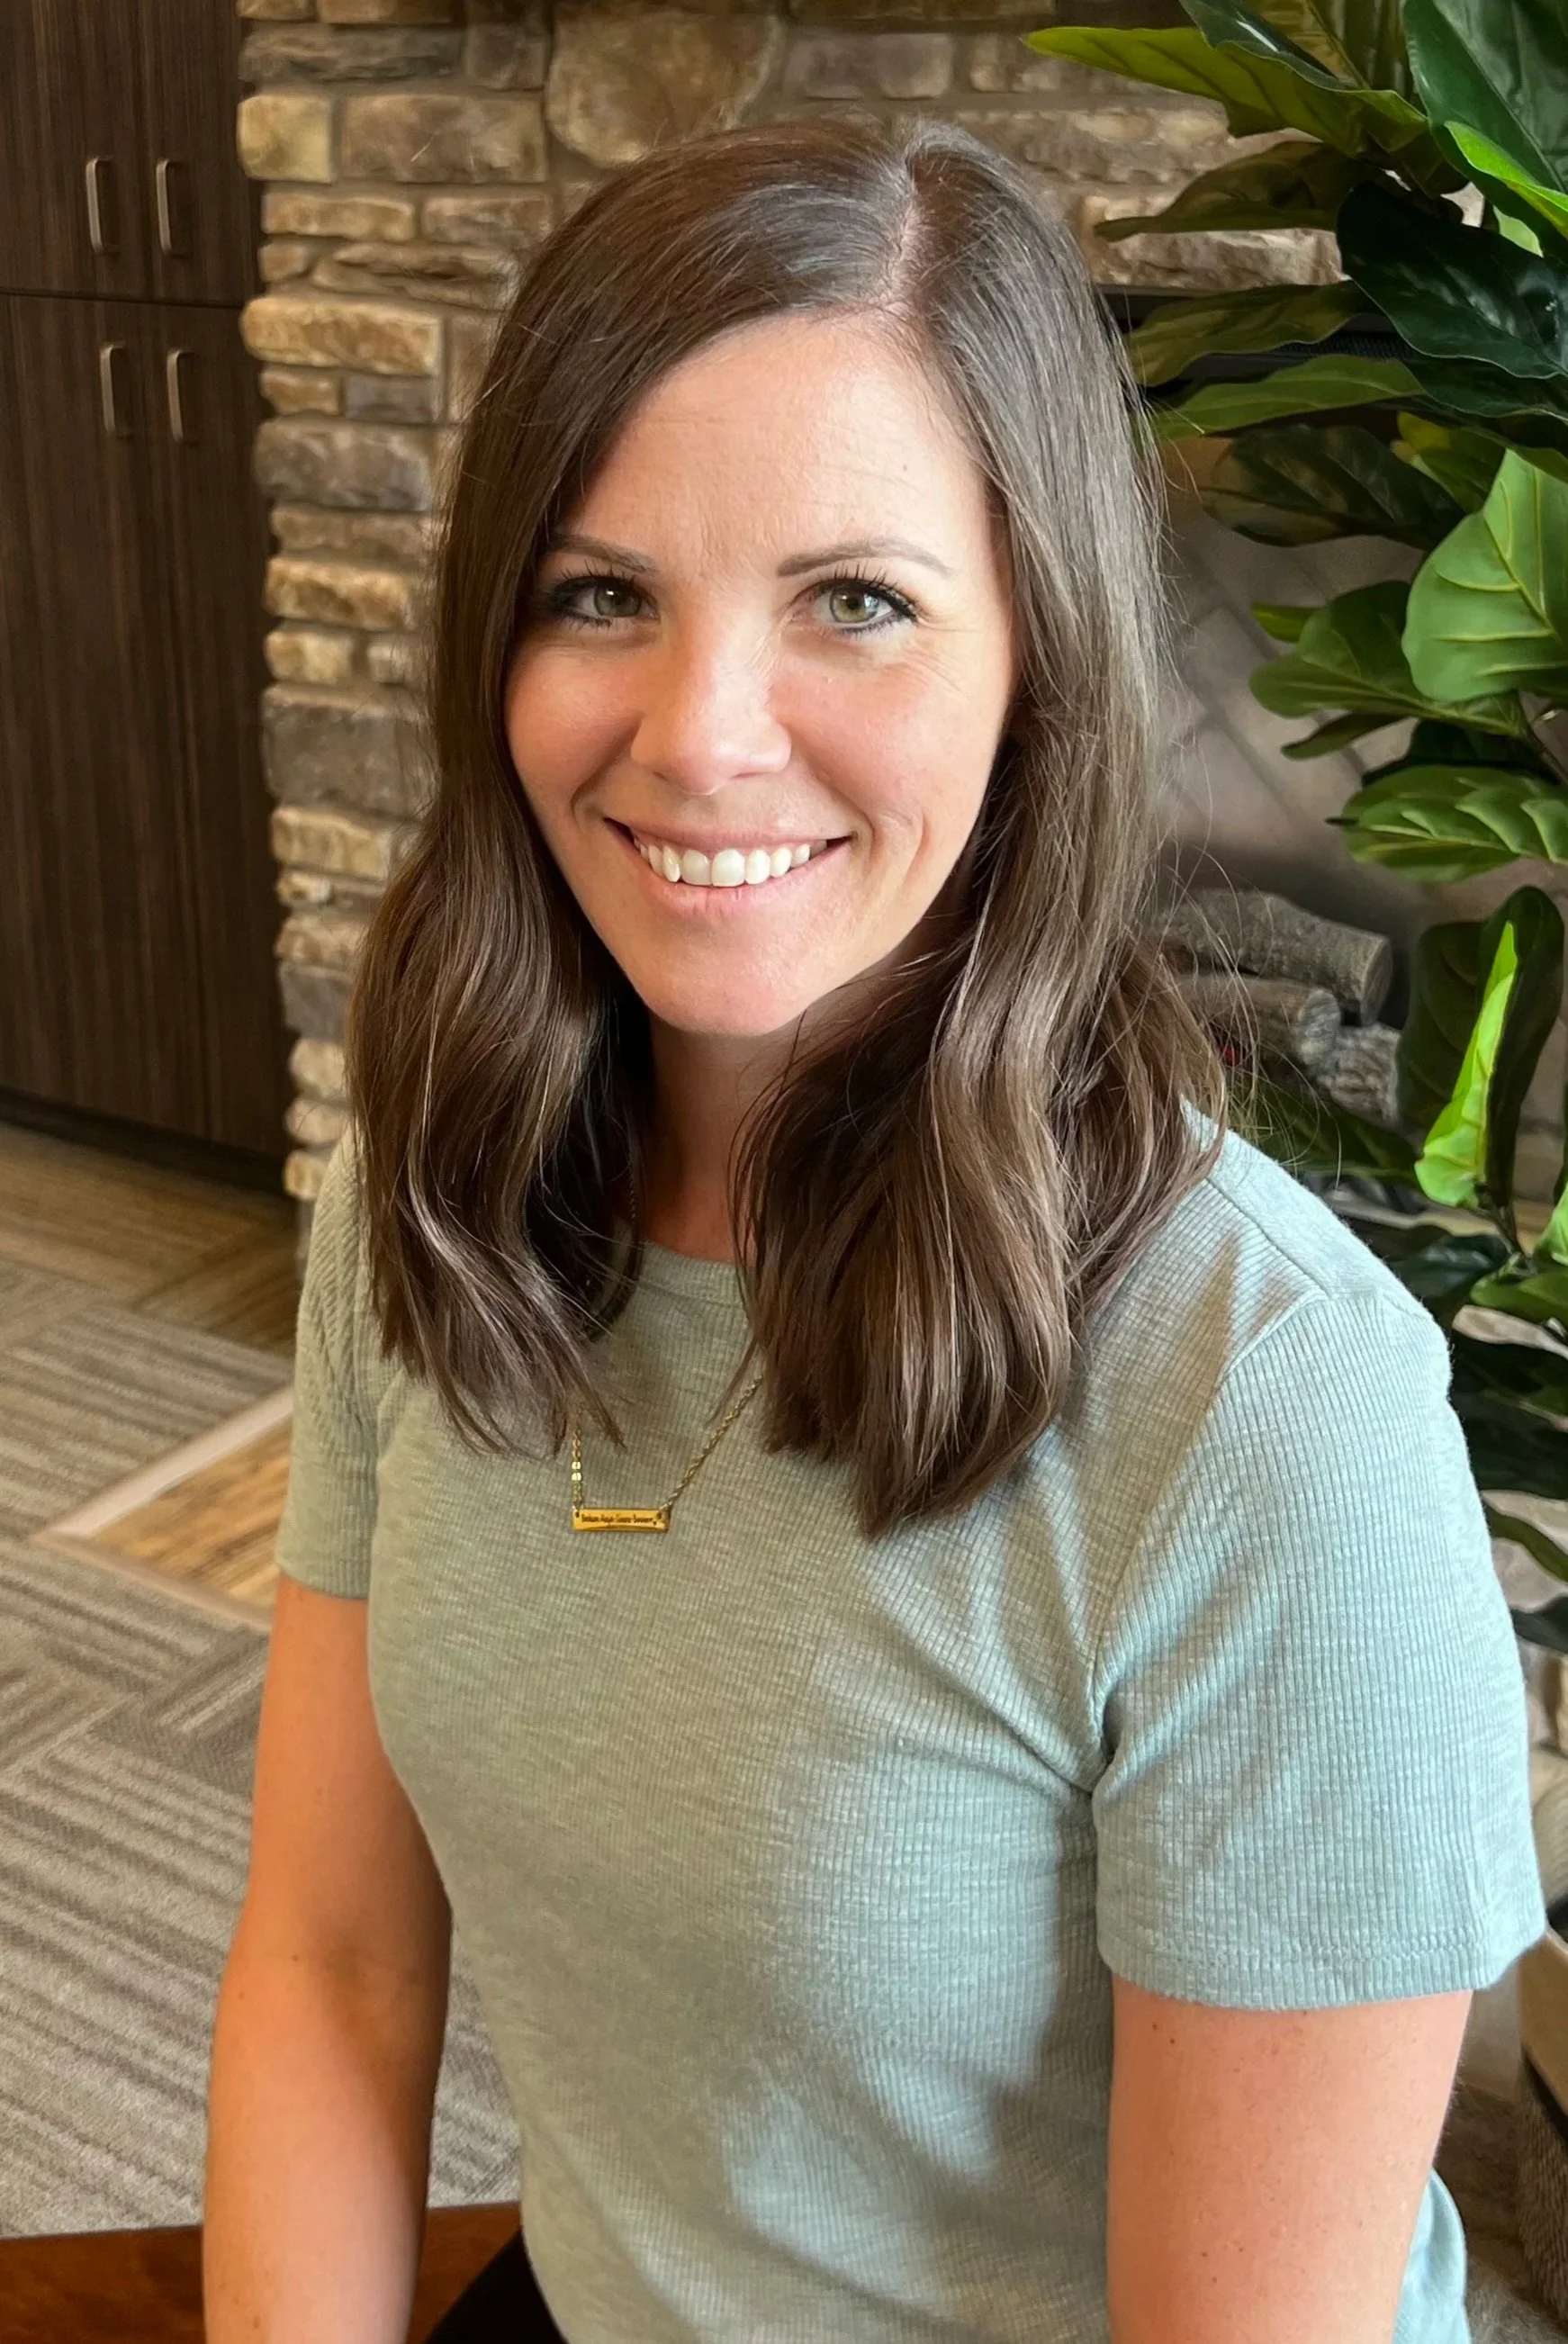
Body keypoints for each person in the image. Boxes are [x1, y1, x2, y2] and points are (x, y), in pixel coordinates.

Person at [203, 113, 1546, 2344]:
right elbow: (337, 1973)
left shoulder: (1273, 1414)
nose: (701, 738)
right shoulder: (432, 1210)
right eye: (601, 593)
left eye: (856, 601)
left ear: (1039, 668)